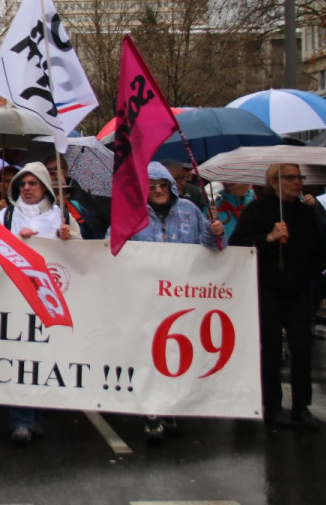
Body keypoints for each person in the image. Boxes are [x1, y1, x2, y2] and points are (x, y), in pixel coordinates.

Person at [112, 162, 225, 442]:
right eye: (151, 187)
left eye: (163, 185)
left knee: (175, 354)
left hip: (182, 298)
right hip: (144, 297)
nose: (159, 191)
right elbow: (110, 248)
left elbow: (215, 249)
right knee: (149, 355)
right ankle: (152, 414)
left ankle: (171, 407)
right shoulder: (131, 214)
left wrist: (216, 231)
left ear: (172, 187)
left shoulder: (190, 210)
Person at [231, 163, 326, 431]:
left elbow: (322, 247)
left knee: (301, 345)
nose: (297, 182)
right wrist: (269, 238)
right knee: (271, 346)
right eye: (290, 177)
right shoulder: (257, 210)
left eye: (299, 177)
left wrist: (309, 273)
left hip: (297, 289)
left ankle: (301, 406)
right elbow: (238, 245)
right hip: (267, 287)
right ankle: (272, 405)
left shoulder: (306, 212)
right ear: (274, 182)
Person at [0, 162, 80, 446]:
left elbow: (83, 257)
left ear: (44, 186)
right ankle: (19, 420)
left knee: (45, 356)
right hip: (15, 296)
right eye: (23, 184)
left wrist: (69, 239)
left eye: (33, 183)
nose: (27, 188)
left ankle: (38, 415)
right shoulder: (6, 216)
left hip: (51, 299)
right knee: (19, 356)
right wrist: (13, 242)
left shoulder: (62, 216)